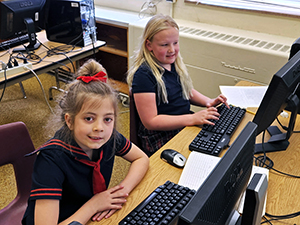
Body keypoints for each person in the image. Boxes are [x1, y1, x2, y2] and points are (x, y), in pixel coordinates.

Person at [22, 59, 149, 225]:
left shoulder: (107, 138)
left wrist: (121, 191)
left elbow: (141, 159)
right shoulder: (51, 160)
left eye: (108, 119)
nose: (99, 127)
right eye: (89, 118)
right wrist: (94, 205)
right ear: (70, 121)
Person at [127, 14, 229, 156]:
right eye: (165, 45)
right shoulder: (144, 75)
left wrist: (208, 101)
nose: (172, 50)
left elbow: (186, 90)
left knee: (222, 139)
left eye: (175, 43)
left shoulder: (172, 63)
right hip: (160, 135)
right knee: (208, 150)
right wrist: (192, 119)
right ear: (149, 45)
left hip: (182, 122)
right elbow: (151, 121)